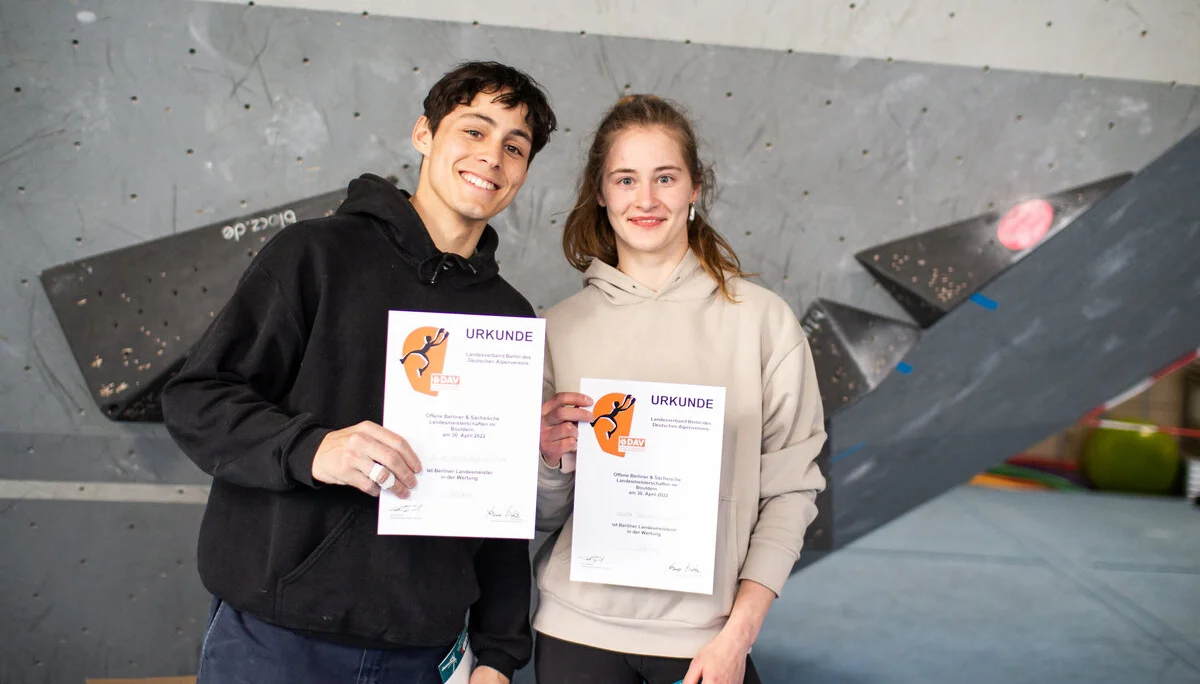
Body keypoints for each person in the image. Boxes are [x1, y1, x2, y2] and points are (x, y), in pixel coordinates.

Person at [161, 61, 557, 684]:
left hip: (424, 653)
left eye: (515, 146)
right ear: (424, 133)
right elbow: (196, 398)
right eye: (474, 131)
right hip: (278, 642)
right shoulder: (314, 255)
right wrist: (314, 449)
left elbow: (495, 500)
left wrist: (500, 653)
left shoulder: (506, 314)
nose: (493, 158)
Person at [534, 95, 827, 684]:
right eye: (626, 179)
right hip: (575, 634)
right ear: (601, 192)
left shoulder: (764, 323)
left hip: (707, 644)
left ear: (695, 188)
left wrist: (737, 635)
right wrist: (549, 461)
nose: (646, 199)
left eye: (665, 177)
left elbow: (791, 493)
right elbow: (542, 517)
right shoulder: (558, 329)